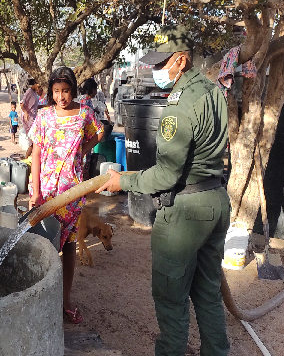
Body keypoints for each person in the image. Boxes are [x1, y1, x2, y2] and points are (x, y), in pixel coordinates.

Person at [97, 25, 230, 356]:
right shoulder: (212, 91)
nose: (156, 70)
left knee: (172, 300)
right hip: (216, 201)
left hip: (186, 212)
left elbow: (167, 174)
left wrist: (123, 181)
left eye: (161, 63)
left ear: (181, 60)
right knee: (209, 294)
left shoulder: (179, 105)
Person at [28, 67, 104, 324]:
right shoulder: (44, 115)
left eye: (66, 91)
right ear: (51, 91)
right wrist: (36, 192)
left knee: (69, 245)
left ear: (73, 90)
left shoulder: (84, 113)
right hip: (47, 193)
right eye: (56, 91)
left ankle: (65, 300)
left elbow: (100, 131)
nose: (61, 97)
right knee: (42, 245)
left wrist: (82, 150)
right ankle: (39, 300)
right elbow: (36, 154)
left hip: (72, 192)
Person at [21, 78, 43, 158]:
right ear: (34, 84)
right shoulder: (29, 92)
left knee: (34, 141)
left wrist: (45, 106)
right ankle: (27, 158)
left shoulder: (34, 93)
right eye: (38, 86)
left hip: (33, 118)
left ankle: (31, 158)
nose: (39, 88)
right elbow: (22, 104)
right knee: (33, 141)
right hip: (28, 119)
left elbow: (34, 106)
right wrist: (26, 112)